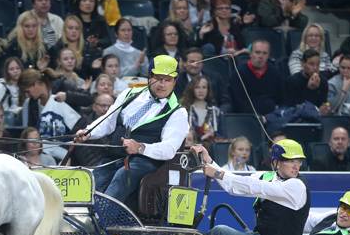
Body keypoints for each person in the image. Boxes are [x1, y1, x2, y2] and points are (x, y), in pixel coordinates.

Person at [74, 54, 187, 203]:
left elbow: (169, 149)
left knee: (122, 176)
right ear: (149, 77)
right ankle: (85, 213)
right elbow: (108, 120)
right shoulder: (129, 93)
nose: (162, 84)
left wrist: (140, 147)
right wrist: (89, 132)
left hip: (145, 162)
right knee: (94, 179)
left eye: (168, 80)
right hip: (115, 156)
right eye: (158, 78)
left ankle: (102, 214)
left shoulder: (178, 112)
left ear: (175, 81)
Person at [192, 138, 310, 235]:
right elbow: (233, 185)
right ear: (276, 162)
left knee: (220, 232)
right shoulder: (268, 177)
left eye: (298, 161)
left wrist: (217, 173)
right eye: (290, 161)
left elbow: (254, 186)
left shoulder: (297, 186)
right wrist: (209, 161)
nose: (296, 166)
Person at [20, 68, 82, 161]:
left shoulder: (63, 87)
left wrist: (69, 96)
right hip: (44, 155)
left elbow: (88, 99)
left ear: (36, 84)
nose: (27, 95)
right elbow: (30, 130)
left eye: (28, 91)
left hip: (70, 152)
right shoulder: (31, 104)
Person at [230, 39, 284, 119]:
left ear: (268, 55)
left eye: (264, 53)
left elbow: (281, 100)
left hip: (271, 117)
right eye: (257, 52)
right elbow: (238, 102)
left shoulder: (275, 73)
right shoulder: (238, 73)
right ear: (250, 54)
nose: (261, 56)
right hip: (246, 118)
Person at [180, 74, 220, 143]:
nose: (201, 91)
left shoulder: (215, 111)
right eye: (197, 87)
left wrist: (213, 134)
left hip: (211, 146)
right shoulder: (185, 110)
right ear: (192, 89)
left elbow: (222, 135)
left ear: (208, 89)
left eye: (204, 87)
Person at [0, 57, 24, 127]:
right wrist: (20, 110)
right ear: (7, 71)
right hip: (6, 117)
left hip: (20, 116)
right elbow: (4, 110)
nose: (15, 71)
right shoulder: (1, 86)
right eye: (11, 69)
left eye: (18, 68)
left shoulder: (23, 85)